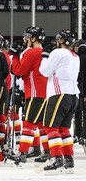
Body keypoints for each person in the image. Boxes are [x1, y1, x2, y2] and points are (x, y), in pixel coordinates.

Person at [6, 27, 49, 166]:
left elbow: (18, 70)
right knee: (42, 124)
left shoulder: (31, 52)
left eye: (27, 36)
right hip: (44, 92)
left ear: (34, 39)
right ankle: (47, 151)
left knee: (29, 123)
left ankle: (22, 153)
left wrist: (15, 56)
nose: (25, 39)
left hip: (35, 93)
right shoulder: (42, 51)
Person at [39, 29, 79, 174]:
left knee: (50, 127)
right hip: (73, 95)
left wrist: (44, 57)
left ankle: (57, 159)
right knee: (63, 129)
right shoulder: (75, 56)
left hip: (59, 94)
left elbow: (44, 71)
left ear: (61, 40)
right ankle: (69, 161)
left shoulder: (58, 52)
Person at [72, 40, 86, 145]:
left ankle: (78, 135)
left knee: (78, 113)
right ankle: (81, 135)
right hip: (81, 90)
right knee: (81, 113)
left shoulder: (75, 58)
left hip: (77, 89)